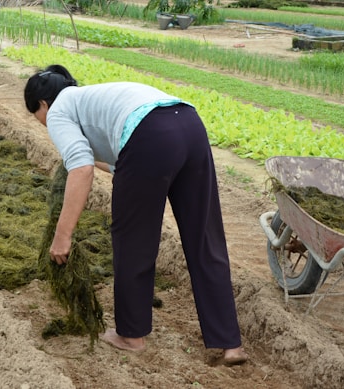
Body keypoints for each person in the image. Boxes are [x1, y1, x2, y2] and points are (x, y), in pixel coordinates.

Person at [24, 64, 248, 365]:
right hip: (189, 125)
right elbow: (121, 160)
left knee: (133, 239)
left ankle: (131, 334)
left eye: (36, 116)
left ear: (41, 104)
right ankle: (230, 343)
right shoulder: (91, 99)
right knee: (205, 240)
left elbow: (81, 167)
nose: (41, 123)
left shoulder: (58, 110)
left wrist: (62, 237)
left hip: (149, 136)